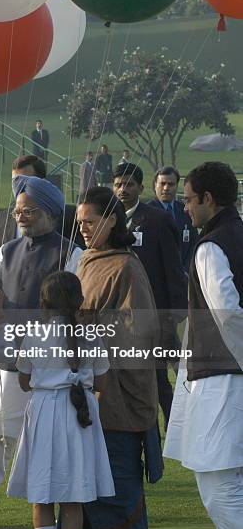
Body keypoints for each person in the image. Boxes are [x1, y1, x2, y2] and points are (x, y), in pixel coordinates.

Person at [0, 176, 83, 529]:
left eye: (29, 210)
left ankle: (58, 508)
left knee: (45, 439)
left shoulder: (71, 253)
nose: (21, 216)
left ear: (50, 213)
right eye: (17, 211)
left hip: (52, 370)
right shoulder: (6, 251)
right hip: (9, 364)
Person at [0, 271, 115, 529]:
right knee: (73, 496)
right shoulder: (91, 335)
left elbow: (25, 381)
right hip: (79, 413)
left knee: (42, 495)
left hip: (45, 412)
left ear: (43, 303)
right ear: (79, 301)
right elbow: (102, 382)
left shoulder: (34, 335)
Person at [76, 187, 161, 529]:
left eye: (90, 221)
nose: (82, 228)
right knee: (84, 503)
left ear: (111, 220)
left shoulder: (126, 266)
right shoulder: (86, 259)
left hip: (117, 404)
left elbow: (141, 332)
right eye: (79, 222)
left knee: (117, 502)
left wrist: (87, 329)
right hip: (89, 399)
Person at [164, 162, 243, 529]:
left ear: (208, 199)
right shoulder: (239, 233)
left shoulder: (211, 247)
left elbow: (228, 315)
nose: (186, 208)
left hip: (223, 378)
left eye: (189, 199)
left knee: (218, 489)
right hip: (225, 375)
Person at [113, 163, 188, 430]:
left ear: (141, 188)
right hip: (120, 319)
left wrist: (174, 313)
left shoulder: (157, 219)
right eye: (119, 184)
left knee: (160, 375)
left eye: (129, 184)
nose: (123, 189)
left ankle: (177, 424)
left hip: (156, 314)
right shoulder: (107, 220)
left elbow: (173, 268)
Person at [0, 155, 84, 251]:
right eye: (15, 182)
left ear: (42, 182)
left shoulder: (69, 217)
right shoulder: (3, 219)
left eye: (26, 181)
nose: (18, 187)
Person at [148, 166, 198, 272]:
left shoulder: (185, 210)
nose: (166, 188)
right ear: (155, 185)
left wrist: (185, 270)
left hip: (185, 275)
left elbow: (193, 242)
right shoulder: (146, 213)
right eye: (162, 184)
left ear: (176, 186)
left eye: (170, 184)